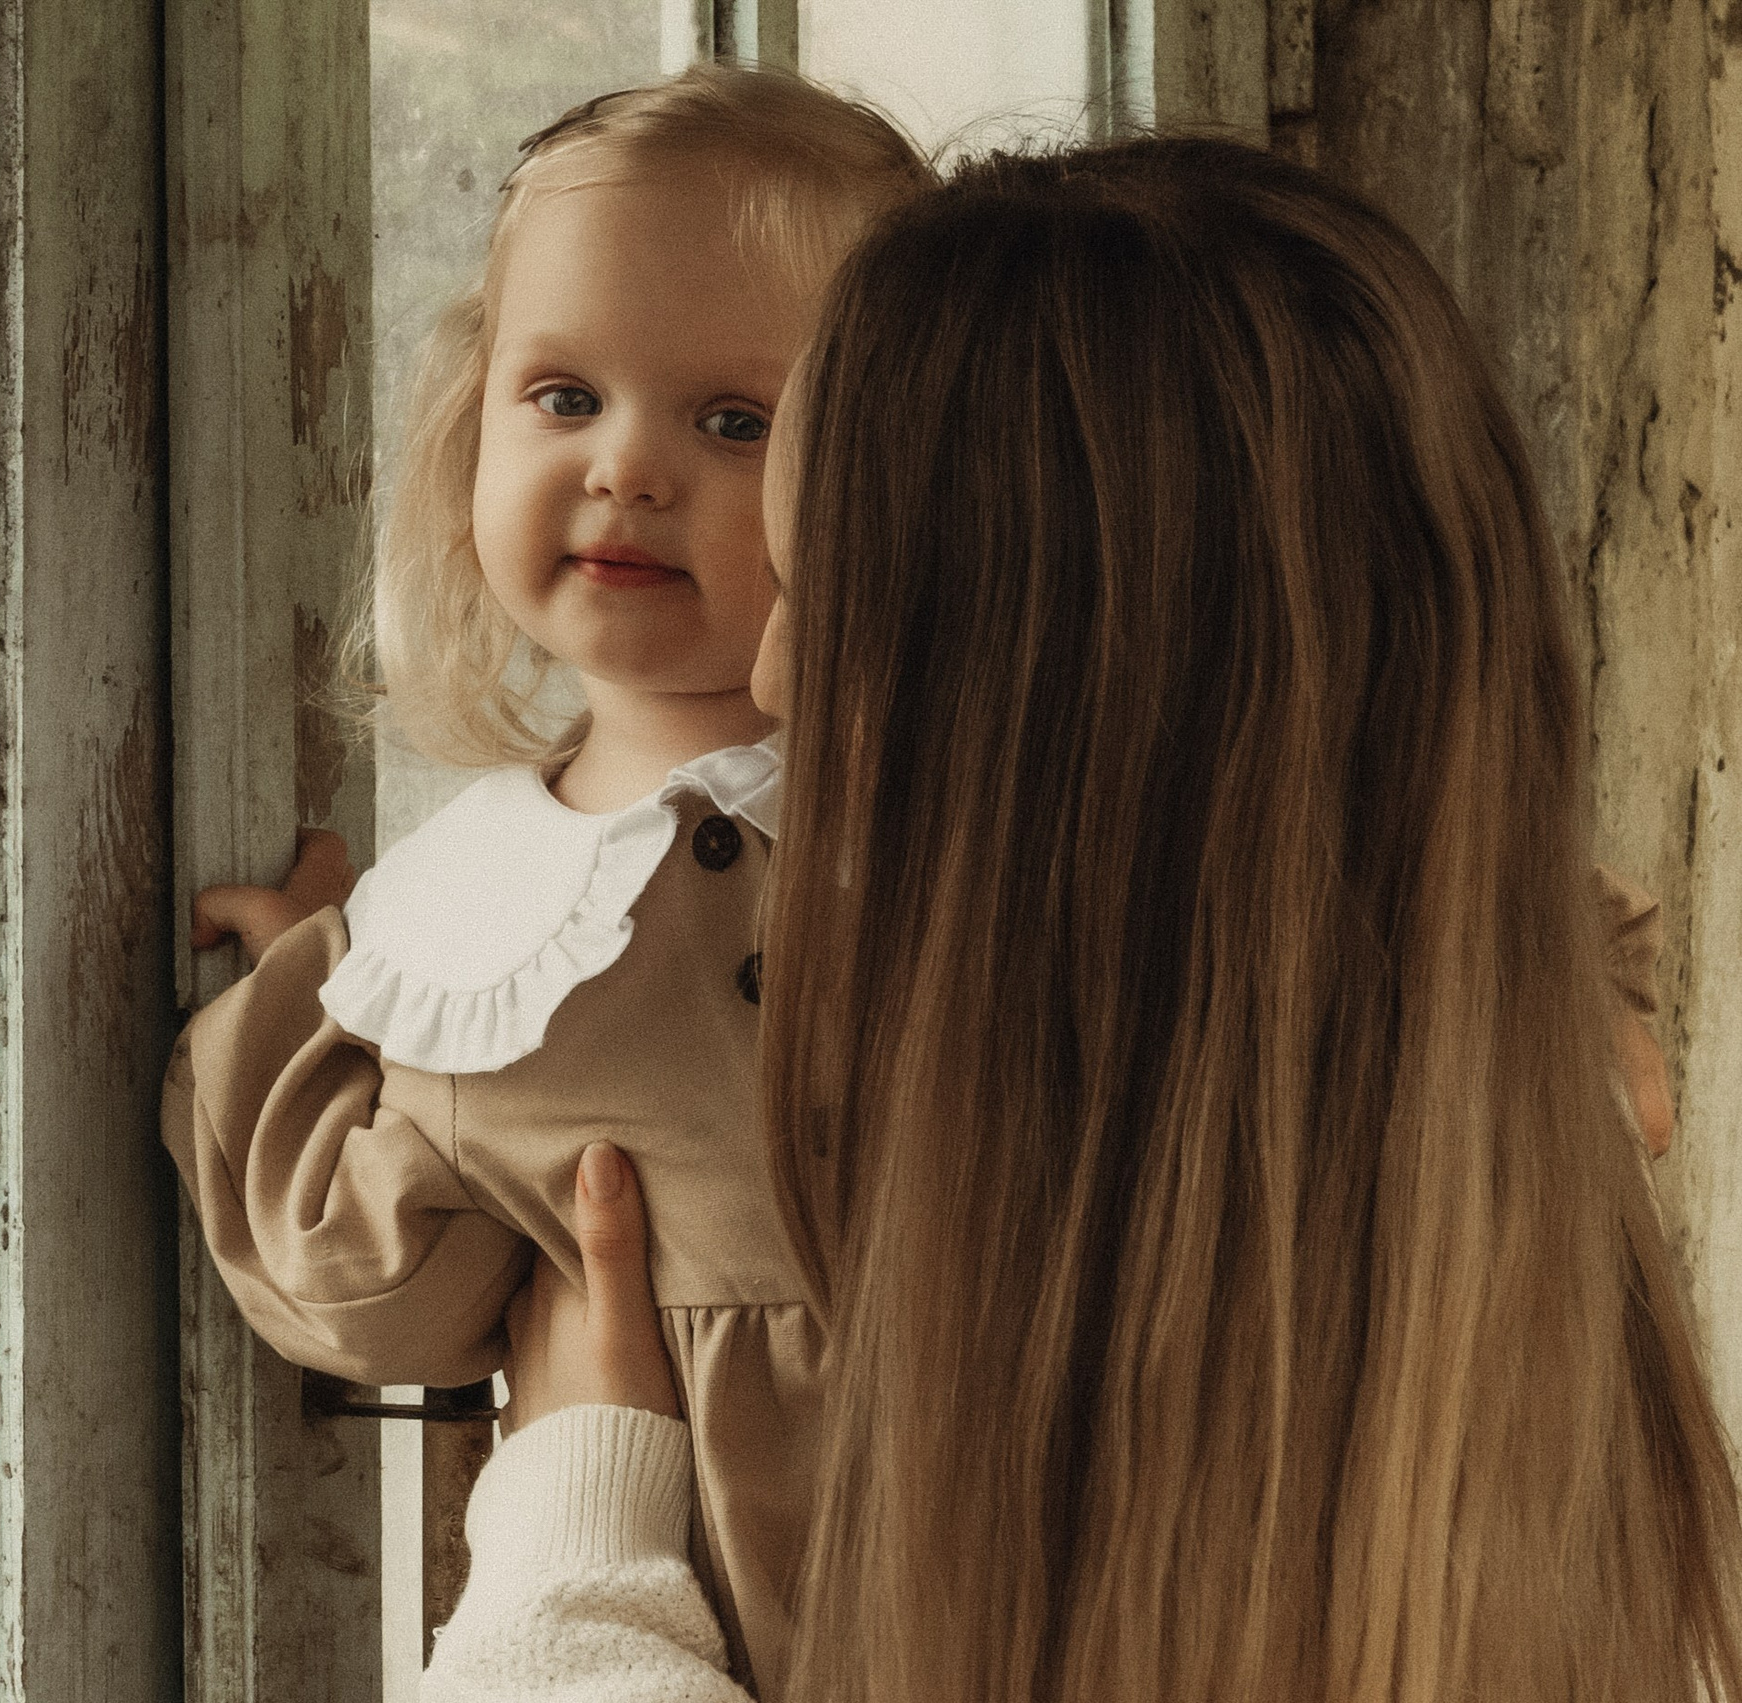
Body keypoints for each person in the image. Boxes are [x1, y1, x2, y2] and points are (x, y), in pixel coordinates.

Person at [421, 134, 1742, 1702]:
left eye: (834, 614)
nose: (771, 691)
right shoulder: (1561, 1477)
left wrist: (578, 1554)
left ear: (1058, 771)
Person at [164, 65, 933, 1695]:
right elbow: (368, 1287)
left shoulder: (987, 794)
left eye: (737, 423)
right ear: (476, 417)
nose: (629, 470)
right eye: (565, 397)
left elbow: (1333, 895)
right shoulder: (481, 928)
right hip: (719, 1622)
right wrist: (322, 978)